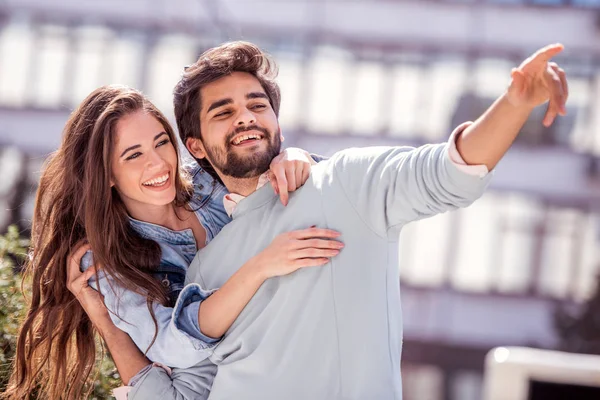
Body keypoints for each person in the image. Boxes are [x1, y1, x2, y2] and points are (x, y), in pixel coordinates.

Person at [78, 40, 569, 400]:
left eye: (257, 104)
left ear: (277, 121)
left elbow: (447, 171)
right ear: (199, 148)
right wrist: (107, 321)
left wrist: (513, 106)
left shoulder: (346, 184)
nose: (246, 117)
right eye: (223, 112)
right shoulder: (206, 271)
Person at [2, 85, 341, 400]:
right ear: (105, 174)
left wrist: (294, 158)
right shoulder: (106, 257)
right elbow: (175, 348)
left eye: (161, 142)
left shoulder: (210, 181)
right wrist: (261, 267)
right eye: (133, 155)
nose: (158, 163)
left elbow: (316, 191)